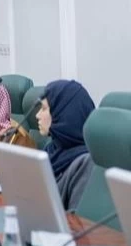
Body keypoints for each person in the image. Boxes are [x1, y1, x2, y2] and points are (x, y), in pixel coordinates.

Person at [37, 80, 96, 208]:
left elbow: (76, 219)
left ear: (64, 113)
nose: (37, 115)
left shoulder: (85, 164)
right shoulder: (50, 150)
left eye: (44, 108)